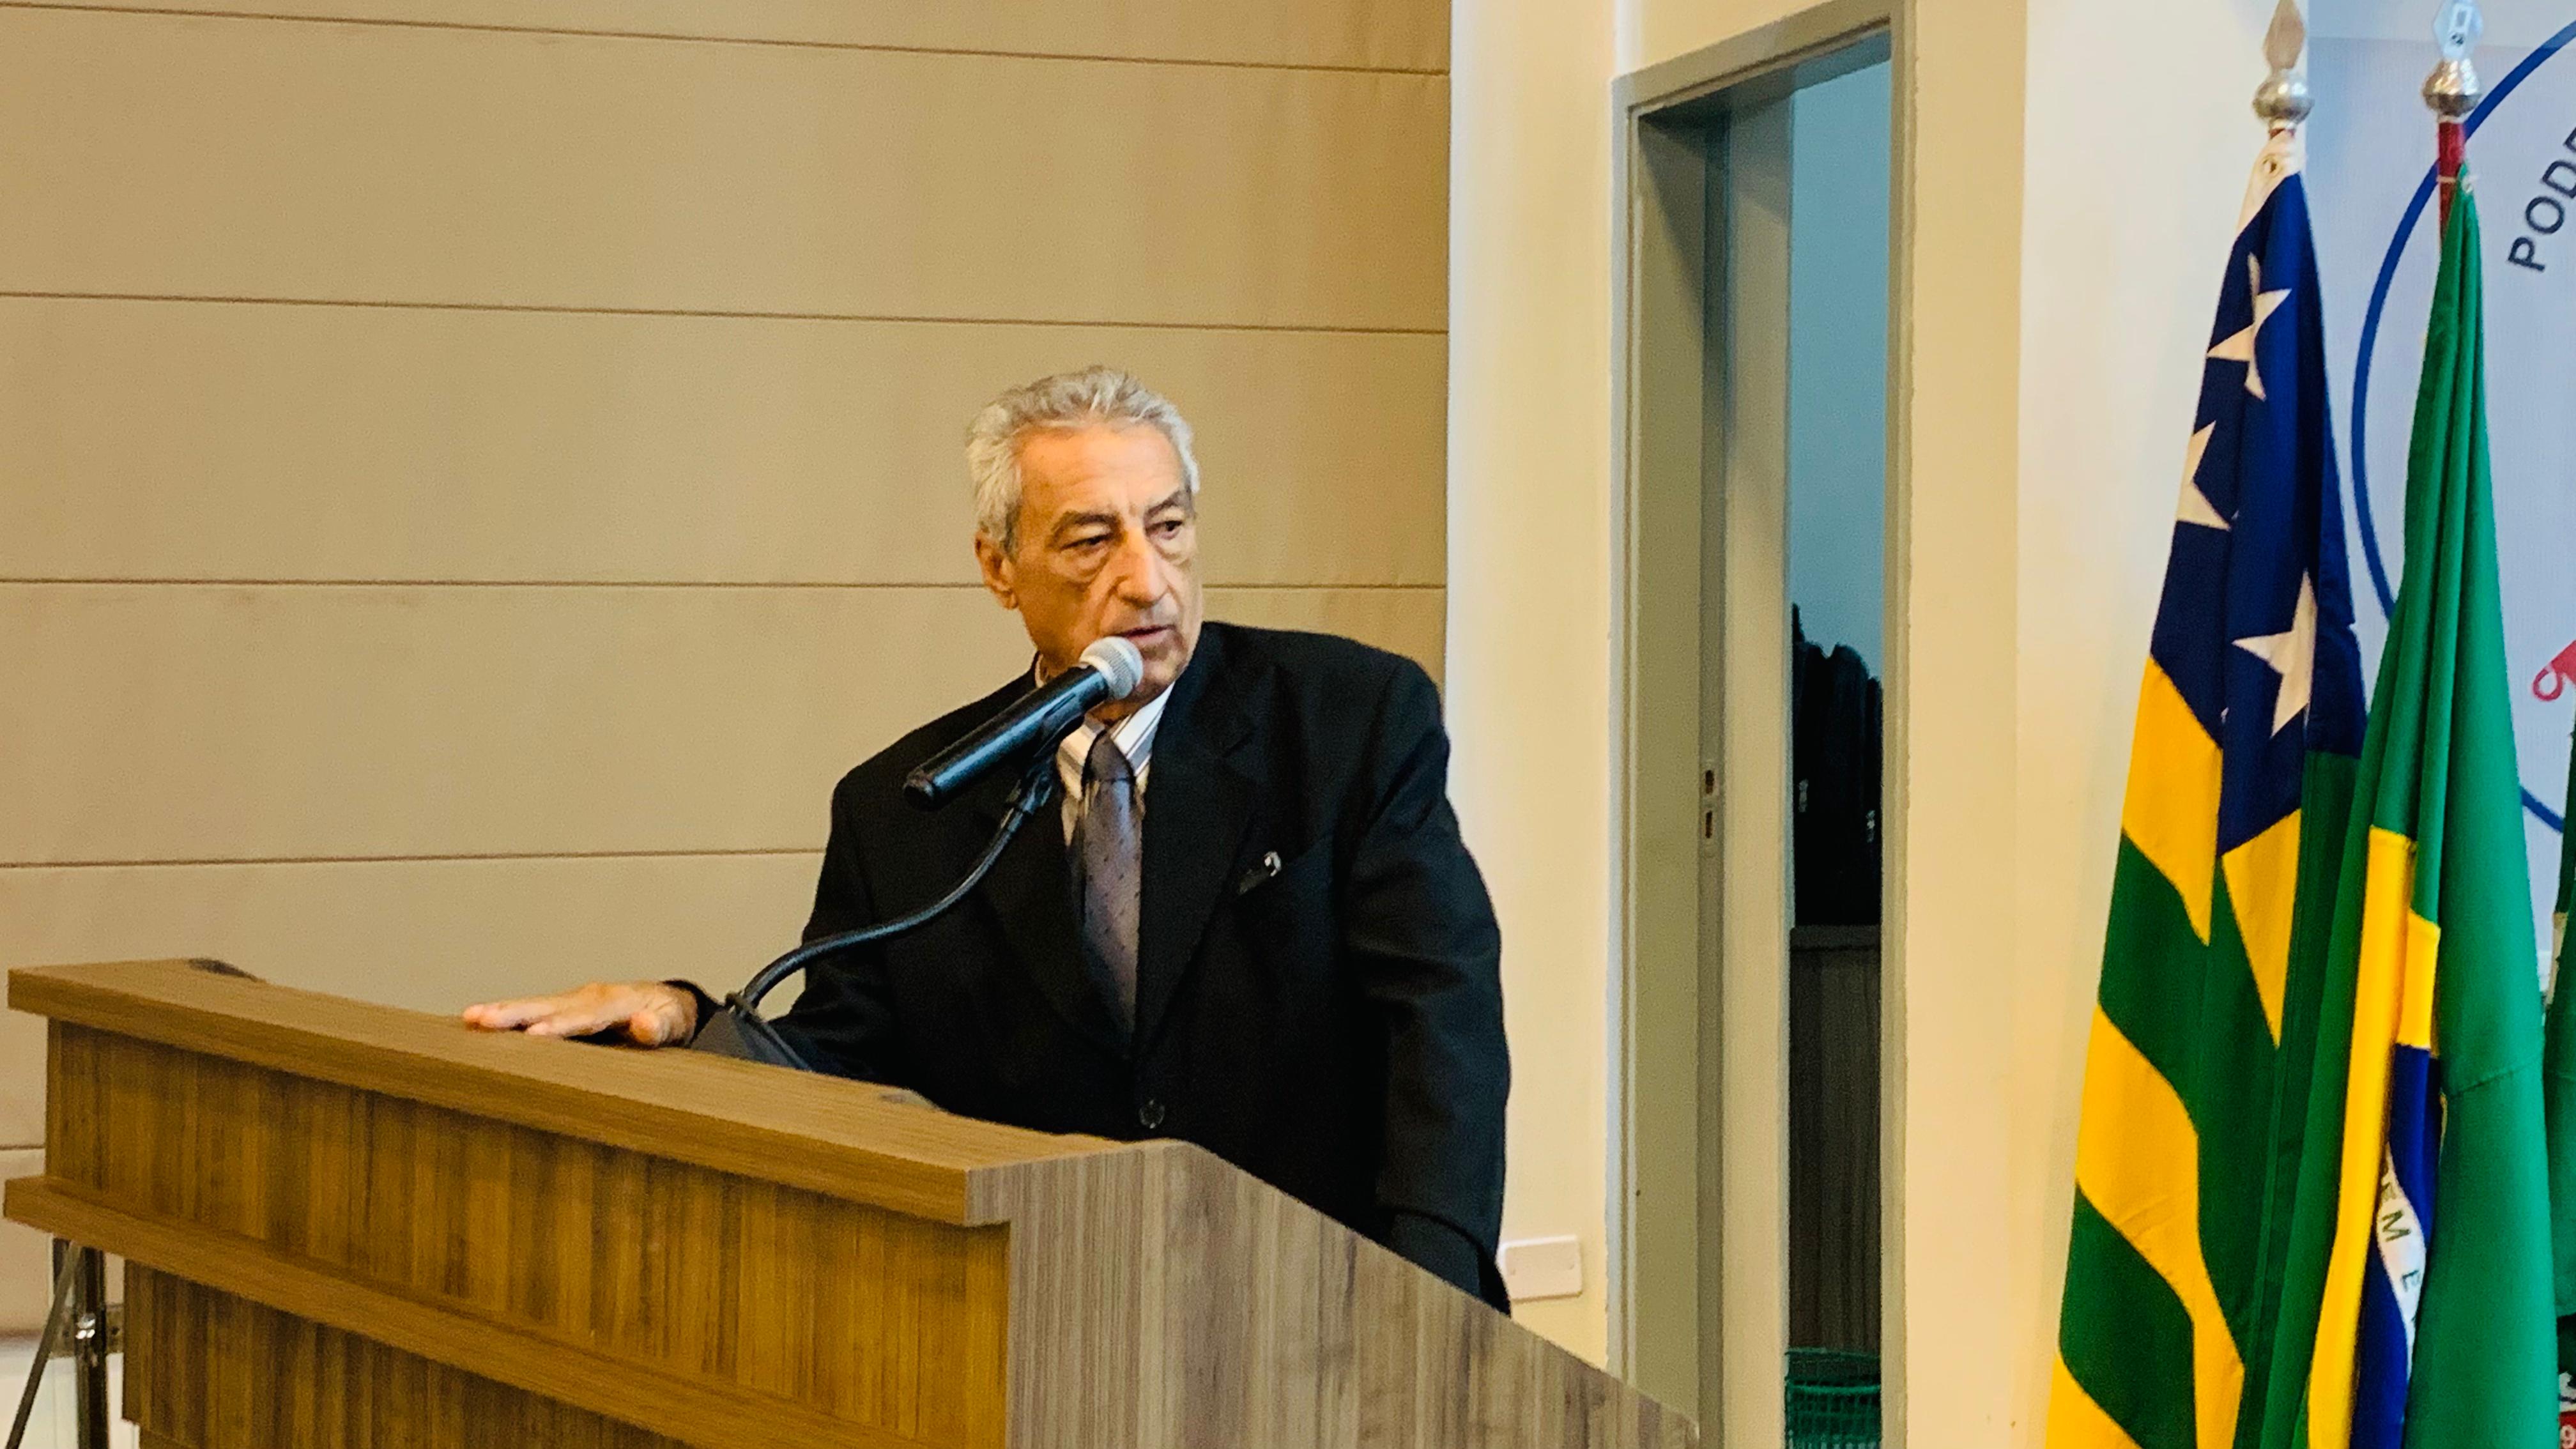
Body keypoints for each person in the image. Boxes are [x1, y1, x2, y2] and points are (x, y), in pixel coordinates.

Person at [466, 367, 1511, 1308]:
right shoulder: (905, 806)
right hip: (1049, 1322)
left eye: (1170, 527)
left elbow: (1441, 1022)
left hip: (1330, 1302)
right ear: (1000, 567)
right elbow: (844, 1067)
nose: (1148, 580)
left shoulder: (1347, 719)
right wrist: (688, 1016)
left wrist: (1431, 1306)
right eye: (1092, 541)